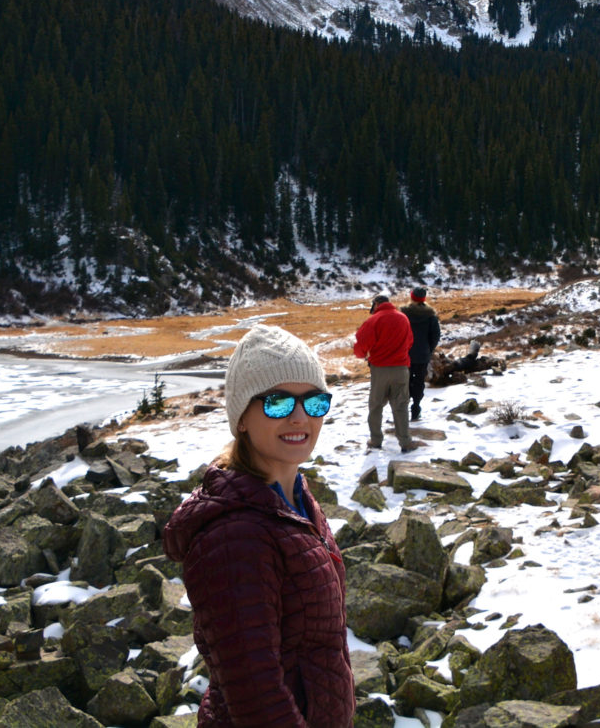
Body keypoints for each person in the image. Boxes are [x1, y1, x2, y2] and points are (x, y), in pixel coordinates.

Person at [161, 326, 352, 728]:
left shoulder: (294, 498)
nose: (300, 416)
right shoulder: (235, 536)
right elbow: (257, 696)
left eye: (315, 401)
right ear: (242, 418)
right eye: (278, 403)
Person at [352, 293, 415, 451]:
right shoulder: (403, 318)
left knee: (376, 405)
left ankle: (376, 440)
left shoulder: (373, 320)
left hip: (380, 369)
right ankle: (405, 442)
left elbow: (360, 344)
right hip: (401, 369)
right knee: (401, 405)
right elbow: (410, 342)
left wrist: (362, 355)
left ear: (376, 304)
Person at [403, 285, 443, 422]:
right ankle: (416, 407)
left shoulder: (404, 314)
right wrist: (429, 349)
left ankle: (403, 408)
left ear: (412, 297)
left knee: (405, 381)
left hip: (405, 354)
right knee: (419, 381)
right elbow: (436, 335)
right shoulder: (431, 316)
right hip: (422, 354)